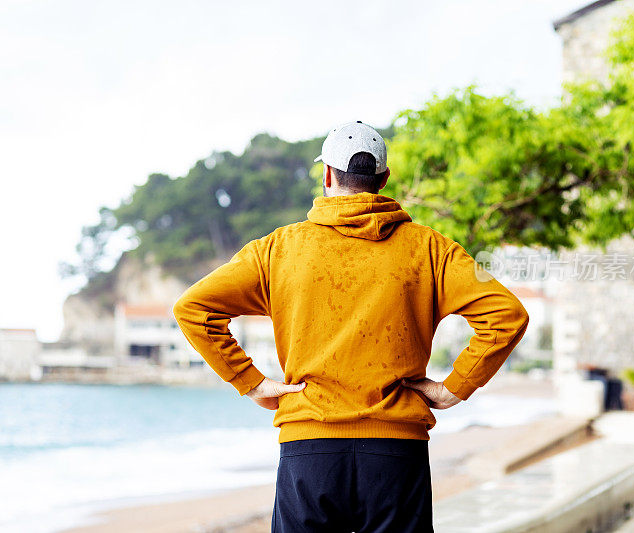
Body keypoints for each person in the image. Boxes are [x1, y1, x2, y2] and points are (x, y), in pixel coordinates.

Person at [173, 121, 530, 532]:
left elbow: (193, 308)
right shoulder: (431, 248)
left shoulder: (276, 249)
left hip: (309, 450)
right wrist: (453, 389)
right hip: (396, 454)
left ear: (327, 174)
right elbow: (507, 314)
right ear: (383, 178)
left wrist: (251, 382)